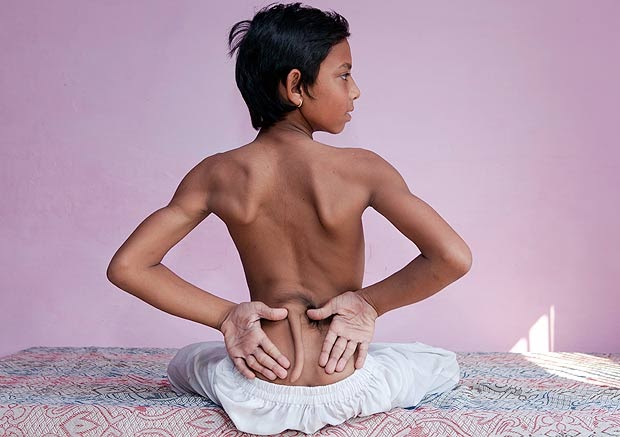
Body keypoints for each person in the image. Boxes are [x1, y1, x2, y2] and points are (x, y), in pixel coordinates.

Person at [107, 2, 472, 435]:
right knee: (438, 362)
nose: (355, 91)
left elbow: (129, 266)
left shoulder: (216, 174)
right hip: (347, 382)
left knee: (185, 361)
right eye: (344, 75)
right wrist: (368, 304)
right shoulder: (363, 169)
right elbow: (452, 257)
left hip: (257, 386)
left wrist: (227, 317)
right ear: (296, 86)